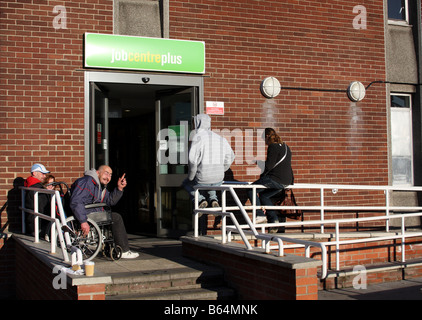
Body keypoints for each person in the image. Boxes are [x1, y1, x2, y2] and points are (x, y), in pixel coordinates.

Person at [69, 165, 139, 259]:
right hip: (86, 214)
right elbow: (76, 202)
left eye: (110, 175)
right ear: (98, 172)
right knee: (116, 218)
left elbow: (110, 201)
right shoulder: (87, 182)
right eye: (106, 173)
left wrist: (119, 188)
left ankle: (118, 247)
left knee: (113, 216)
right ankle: (124, 250)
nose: (108, 177)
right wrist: (83, 221)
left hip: (92, 212)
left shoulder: (99, 186)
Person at [182, 114, 235, 208]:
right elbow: (231, 156)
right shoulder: (221, 138)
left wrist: (191, 176)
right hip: (218, 179)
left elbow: (192, 160)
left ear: (197, 123)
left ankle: (200, 199)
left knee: (186, 183)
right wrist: (221, 170)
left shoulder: (197, 138)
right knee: (211, 181)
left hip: (202, 179)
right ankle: (213, 199)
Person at [248, 128, 294, 228]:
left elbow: (269, 166)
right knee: (264, 196)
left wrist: (260, 165)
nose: (265, 143)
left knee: (251, 189)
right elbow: (285, 165)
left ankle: (259, 215)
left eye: (264, 140)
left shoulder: (273, 146)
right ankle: (274, 220)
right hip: (286, 181)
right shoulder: (286, 147)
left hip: (276, 179)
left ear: (267, 137)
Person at [24, 163, 51, 237]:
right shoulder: (37, 188)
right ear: (34, 173)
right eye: (42, 173)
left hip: (32, 224)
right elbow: (43, 208)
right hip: (39, 226)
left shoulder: (29, 185)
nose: (44, 176)